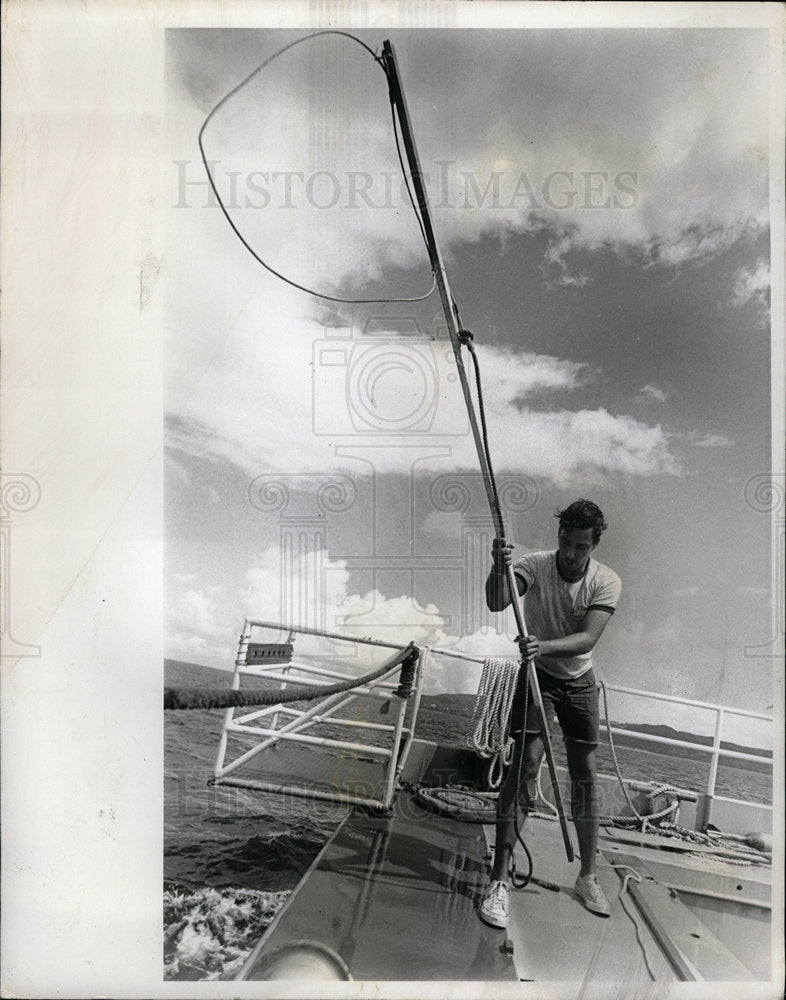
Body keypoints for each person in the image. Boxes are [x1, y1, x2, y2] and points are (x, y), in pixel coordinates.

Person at [478, 499, 621, 929]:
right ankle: (499, 881)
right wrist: (497, 567)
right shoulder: (535, 565)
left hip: (577, 680)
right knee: (524, 767)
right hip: (536, 674)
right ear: (558, 536)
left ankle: (588, 876)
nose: (571, 553)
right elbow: (497, 602)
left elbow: (587, 639)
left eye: (580, 546)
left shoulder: (606, 581)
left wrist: (542, 645)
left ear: (594, 544)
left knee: (585, 773)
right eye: (565, 541)